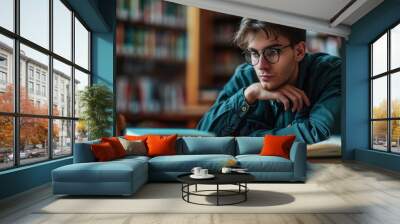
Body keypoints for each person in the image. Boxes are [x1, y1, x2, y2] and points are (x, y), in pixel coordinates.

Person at [197, 18, 341, 144]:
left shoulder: (331, 72)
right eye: (254, 53)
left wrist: (243, 140)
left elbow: (319, 134)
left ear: (299, 51)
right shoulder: (246, 76)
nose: (261, 66)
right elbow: (202, 137)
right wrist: (249, 95)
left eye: (272, 52)